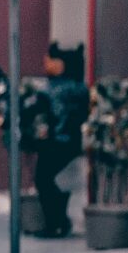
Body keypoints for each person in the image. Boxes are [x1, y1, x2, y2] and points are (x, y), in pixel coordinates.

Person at [32, 43, 89, 238]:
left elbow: (46, 116)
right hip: (70, 142)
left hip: (54, 142)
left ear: (60, 63)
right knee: (50, 181)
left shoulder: (51, 89)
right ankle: (59, 221)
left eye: (49, 60)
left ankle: (56, 222)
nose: (45, 63)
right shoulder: (80, 88)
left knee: (44, 180)